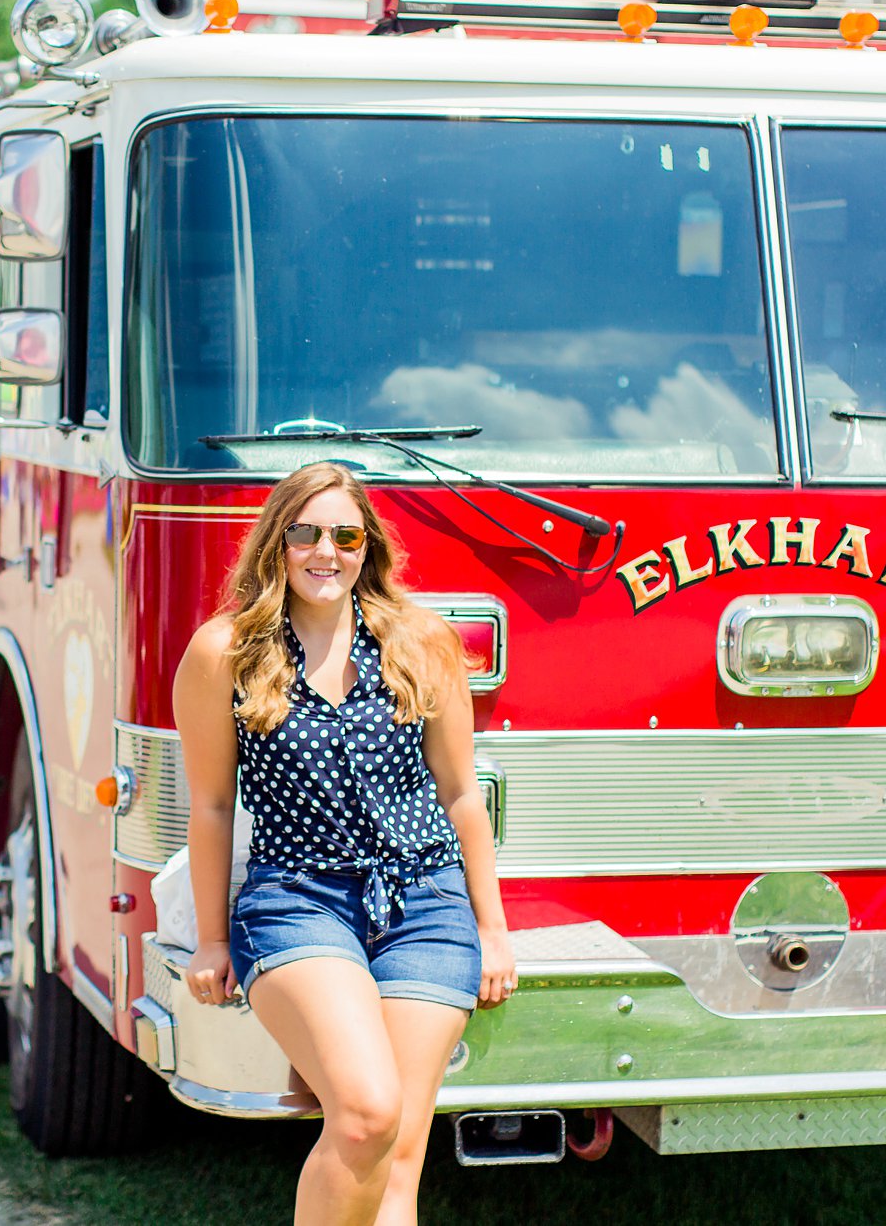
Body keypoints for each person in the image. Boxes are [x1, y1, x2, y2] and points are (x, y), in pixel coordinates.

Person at [173, 461, 516, 1225]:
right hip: (298, 903)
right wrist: (207, 940)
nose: (325, 551)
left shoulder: (420, 642)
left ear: (368, 548)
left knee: (398, 1155)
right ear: (277, 542)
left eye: (346, 535)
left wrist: (492, 928)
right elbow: (210, 806)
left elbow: (463, 795)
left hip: (425, 905)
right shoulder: (224, 651)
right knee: (363, 1113)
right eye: (306, 532)